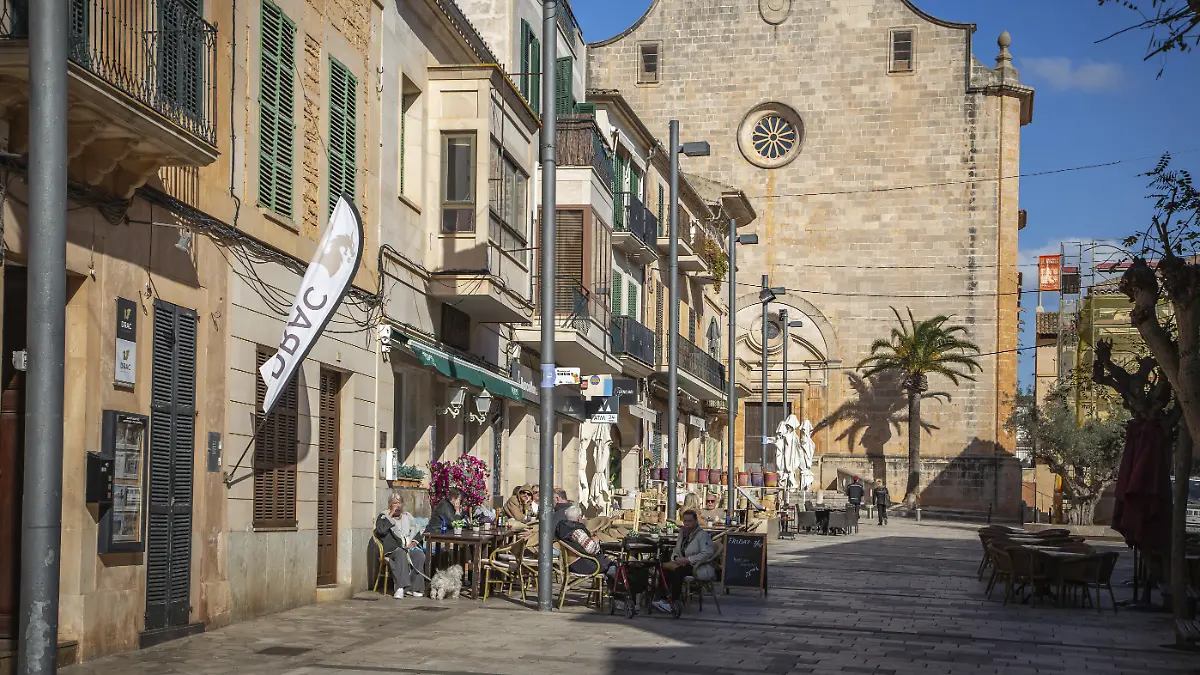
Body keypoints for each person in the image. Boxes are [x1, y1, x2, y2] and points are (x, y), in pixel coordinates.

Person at [654, 509, 716, 614]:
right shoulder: (682, 533)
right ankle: (663, 599)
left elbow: (707, 553)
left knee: (678, 572)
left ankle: (674, 602)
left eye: (690, 521)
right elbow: (676, 550)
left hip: (697, 565)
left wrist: (688, 560)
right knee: (662, 567)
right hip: (682, 563)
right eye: (685, 521)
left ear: (696, 521)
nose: (687, 524)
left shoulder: (702, 535)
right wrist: (675, 559)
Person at [375, 495, 426, 599]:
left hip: (408, 547)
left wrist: (414, 542)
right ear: (390, 505)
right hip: (393, 549)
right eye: (394, 503)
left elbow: (419, 530)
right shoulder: (384, 516)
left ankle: (414, 588)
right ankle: (400, 587)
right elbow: (380, 530)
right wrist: (391, 515)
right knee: (400, 553)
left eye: (399, 503)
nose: (397, 506)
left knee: (418, 554)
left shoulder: (408, 516)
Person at [554, 504, 614, 578]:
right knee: (611, 564)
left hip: (568, 563)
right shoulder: (577, 531)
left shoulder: (562, 528)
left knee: (606, 562)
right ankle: (616, 586)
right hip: (582, 565)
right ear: (579, 518)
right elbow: (591, 549)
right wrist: (596, 541)